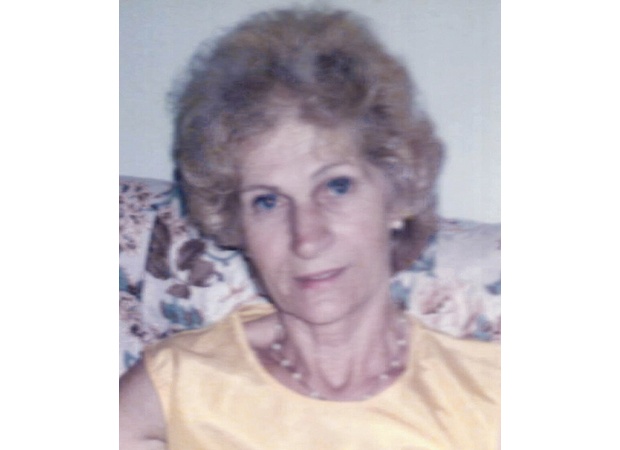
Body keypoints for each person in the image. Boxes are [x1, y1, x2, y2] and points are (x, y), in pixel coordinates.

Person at [119, 8, 500, 449]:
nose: (306, 238)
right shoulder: (180, 384)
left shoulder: (489, 393)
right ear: (237, 225)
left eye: (336, 186)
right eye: (267, 201)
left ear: (396, 193)